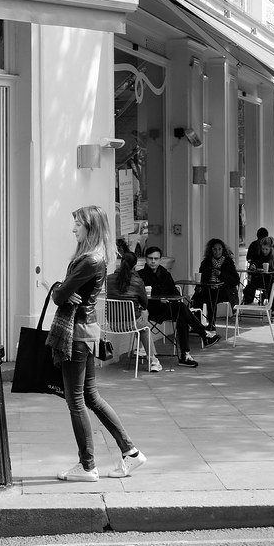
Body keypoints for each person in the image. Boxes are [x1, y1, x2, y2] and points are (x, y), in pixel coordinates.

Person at [49, 205, 146, 482]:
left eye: (78, 224)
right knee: (90, 397)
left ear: (91, 227)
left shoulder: (89, 260)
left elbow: (59, 296)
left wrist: (59, 290)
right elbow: (65, 291)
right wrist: (63, 290)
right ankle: (131, 452)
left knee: (75, 400)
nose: (73, 228)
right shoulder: (94, 259)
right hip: (86, 331)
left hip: (76, 334)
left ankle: (88, 465)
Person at [138, 246, 207, 365]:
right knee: (181, 310)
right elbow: (139, 297)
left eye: (156, 258)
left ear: (160, 259)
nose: (153, 261)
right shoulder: (140, 275)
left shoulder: (165, 274)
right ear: (146, 259)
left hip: (166, 309)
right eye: (150, 258)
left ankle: (185, 355)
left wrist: (169, 300)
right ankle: (202, 335)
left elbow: (175, 294)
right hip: (149, 310)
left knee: (181, 313)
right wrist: (159, 300)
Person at [105, 251, 163, 372]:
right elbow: (145, 303)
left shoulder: (109, 279)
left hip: (112, 324)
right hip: (132, 323)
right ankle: (153, 360)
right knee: (144, 324)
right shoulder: (137, 281)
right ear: (134, 266)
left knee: (141, 323)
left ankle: (141, 349)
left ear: (120, 263)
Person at [193, 238, 240, 342]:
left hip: (225, 291)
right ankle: (197, 324)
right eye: (214, 249)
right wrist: (199, 286)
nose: (217, 252)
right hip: (208, 288)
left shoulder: (228, 262)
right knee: (196, 298)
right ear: (211, 251)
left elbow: (235, 280)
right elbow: (202, 278)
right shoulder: (206, 263)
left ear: (223, 250)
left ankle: (211, 324)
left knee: (212, 296)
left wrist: (221, 274)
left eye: (219, 249)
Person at [241, 235, 274, 320]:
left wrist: (270, 272)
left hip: (273, 279)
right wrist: (253, 267)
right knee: (272, 284)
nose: (264, 251)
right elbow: (252, 269)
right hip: (260, 279)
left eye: (266, 249)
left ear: (271, 249)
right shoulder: (258, 255)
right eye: (263, 249)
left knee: (272, 282)